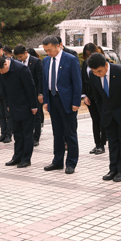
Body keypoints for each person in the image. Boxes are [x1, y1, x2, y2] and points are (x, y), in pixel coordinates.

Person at [88, 52, 121, 182]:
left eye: (99, 71)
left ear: (106, 65)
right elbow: (97, 96)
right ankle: (113, 169)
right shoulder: (92, 75)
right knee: (112, 142)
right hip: (108, 115)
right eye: (94, 72)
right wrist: (102, 112)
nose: (97, 74)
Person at [41, 35, 82, 173]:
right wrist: (46, 100)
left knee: (70, 133)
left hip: (67, 101)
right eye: (46, 50)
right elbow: (45, 82)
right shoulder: (46, 61)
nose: (48, 53)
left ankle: (71, 162)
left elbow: (77, 82)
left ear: (59, 45)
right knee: (57, 132)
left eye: (50, 50)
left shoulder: (70, 59)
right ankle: (57, 161)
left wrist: (76, 102)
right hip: (53, 100)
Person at [0, 56, 38, 168]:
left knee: (27, 134)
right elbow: (5, 89)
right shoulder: (2, 71)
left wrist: (34, 106)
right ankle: (17, 156)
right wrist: (7, 104)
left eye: (1, 71)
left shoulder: (21, 69)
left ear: (6, 65)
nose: (1, 74)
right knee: (17, 133)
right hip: (13, 106)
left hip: (25, 105)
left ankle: (26, 159)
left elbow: (31, 88)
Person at [13, 44, 44, 146]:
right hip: (23, 95)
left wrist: (40, 93)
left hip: (35, 93)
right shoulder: (17, 63)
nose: (19, 59)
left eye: (21, 56)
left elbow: (40, 79)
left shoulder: (36, 62)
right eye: (18, 57)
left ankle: (36, 137)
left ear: (26, 53)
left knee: (36, 116)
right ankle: (28, 136)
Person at [81, 43, 107, 155]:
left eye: (90, 54)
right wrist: (84, 96)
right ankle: (97, 144)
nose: (88, 57)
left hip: (101, 96)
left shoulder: (102, 61)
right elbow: (82, 79)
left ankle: (102, 143)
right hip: (90, 96)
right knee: (95, 120)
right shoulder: (84, 64)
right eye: (86, 55)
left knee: (103, 120)